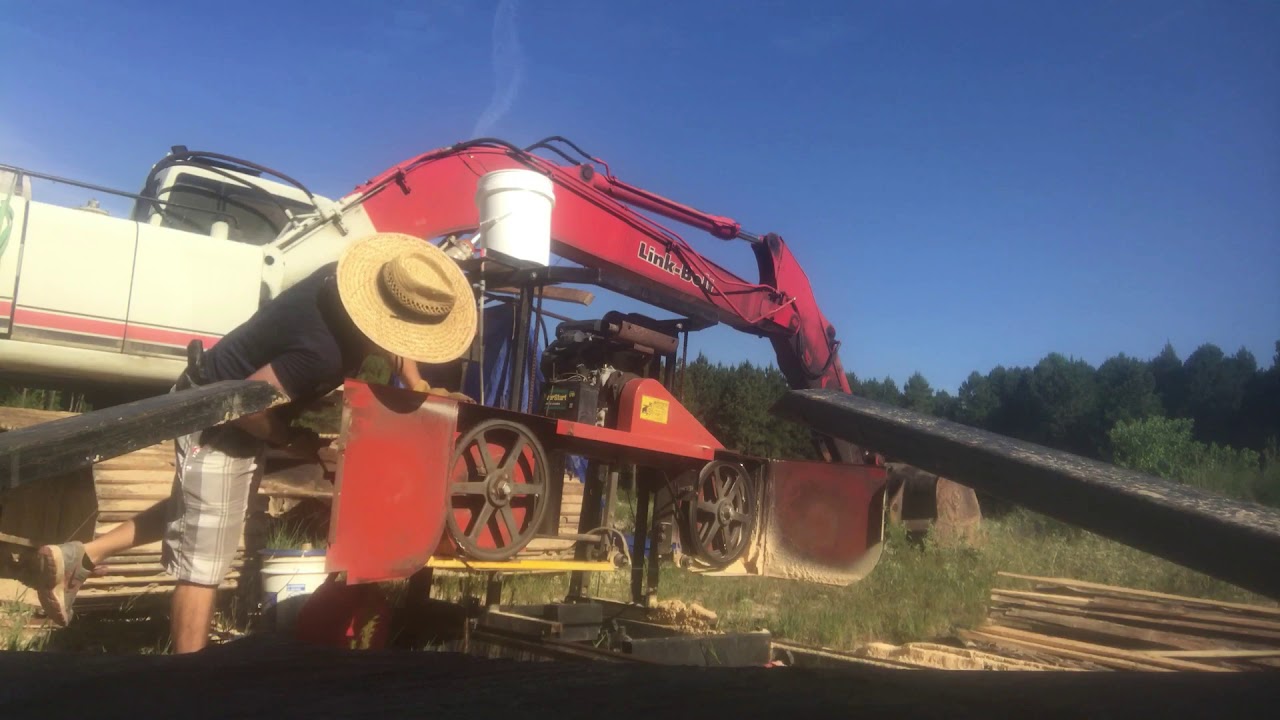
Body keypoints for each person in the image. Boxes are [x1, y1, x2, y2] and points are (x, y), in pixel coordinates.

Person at [27, 231, 478, 653]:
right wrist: (294, 440)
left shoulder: (340, 280)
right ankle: (189, 686)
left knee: (196, 512)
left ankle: (82, 555)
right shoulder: (322, 351)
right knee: (204, 562)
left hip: (224, 398)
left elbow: (393, 333)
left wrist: (416, 381)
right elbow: (247, 408)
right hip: (217, 417)